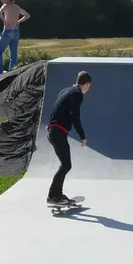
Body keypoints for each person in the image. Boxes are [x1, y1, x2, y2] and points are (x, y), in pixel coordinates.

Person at [45, 70, 91, 206]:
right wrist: (82, 136)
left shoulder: (65, 91)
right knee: (66, 165)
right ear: (87, 84)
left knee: (65, 165)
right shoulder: (77, 94)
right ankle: (54, 196)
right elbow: (75, 117)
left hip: (52, 131)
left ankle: (56, 195)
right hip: (58, 132)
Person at [0, 0, 30, 74]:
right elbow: (27, 15)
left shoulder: (5, 6)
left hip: (7, 31)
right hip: (16, 32)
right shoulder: (16, 7)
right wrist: (18, 21)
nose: (1, 0)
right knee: (13, 55)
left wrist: (4, 20)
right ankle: (12, 72)